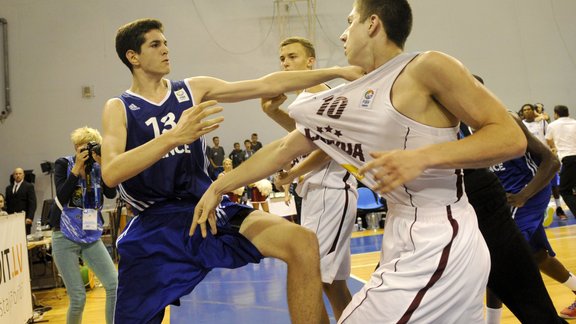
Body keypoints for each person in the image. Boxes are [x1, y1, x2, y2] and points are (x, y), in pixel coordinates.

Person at [193, 0, 528, 322]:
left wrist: (423, 157)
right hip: (402, 232)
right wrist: (219, 186)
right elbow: (284, 148)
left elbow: (510, 137)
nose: (343, 34)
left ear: (373, 23)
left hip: (440, 236)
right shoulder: (349, 96)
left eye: (350, 21)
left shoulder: (426, 66)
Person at [102, 18, 361, 324]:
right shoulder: (119, 107)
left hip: (207, 208)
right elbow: (111, 172)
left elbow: (266, 85)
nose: (166, 50)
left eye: (166, 42)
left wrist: (339, 71)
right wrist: (174, 136)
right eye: (155, 44)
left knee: (302, 242)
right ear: (133, 57)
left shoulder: (191, 89)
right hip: (155, 225)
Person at [262, 36, 357, 321]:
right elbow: (309, 137)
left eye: (292, 56)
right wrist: (272, 112)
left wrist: (292, 173)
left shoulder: (317, 94)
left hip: (330, 191)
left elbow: (331, 147)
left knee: (313, 277)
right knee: (334, 283)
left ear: (310, 62)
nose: (285, 63)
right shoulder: (308, 96)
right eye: (282, 58)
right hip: (320, 193)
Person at [486, 115, 576, 322]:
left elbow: (551, 162)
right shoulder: (460, 127)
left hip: (527, 191)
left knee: (497, 259)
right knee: (538, 256)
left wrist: (524, 195)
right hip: (506, 196)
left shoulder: (504, 118)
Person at [48, 126, 118, 324]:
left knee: (113, 284)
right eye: (81, 147)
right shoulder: (64, 164)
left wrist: (104, 165)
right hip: (64, 235)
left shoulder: (100, 167)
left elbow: (111, 194)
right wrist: (77, 169)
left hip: (90, 235)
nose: (85, 152)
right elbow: (61, 196)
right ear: (75, 147)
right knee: (78, 298)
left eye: (89, 147)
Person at [522, 103, 567, 219]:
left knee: (554, 185)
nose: (527, 111)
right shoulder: (521, 125)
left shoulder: (542, 122)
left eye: (529, 109)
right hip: (531, 159)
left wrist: (553, 149)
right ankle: (542, 211)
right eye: (524, 110)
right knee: (536, 184)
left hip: (546, 158)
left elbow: (550, 137)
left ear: (533, 111)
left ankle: (559, 208)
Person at [546, 105, 576, 218]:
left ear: (556, 114)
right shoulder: (575, 122)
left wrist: (555, 147)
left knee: (564, 190)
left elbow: (548, 140)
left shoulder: (552, 125)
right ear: (568, 113)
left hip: (568, 159)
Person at [5, 167, 37, 234]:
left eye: (20, 173)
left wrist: (30, 217)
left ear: (23, 175)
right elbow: (6, 203)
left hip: (24, 219)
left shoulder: (29, 186)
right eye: (16, 174)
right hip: (11, 219)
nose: (18, 175)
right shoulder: (8, 188)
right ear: (13, 176)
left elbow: (32, 203)